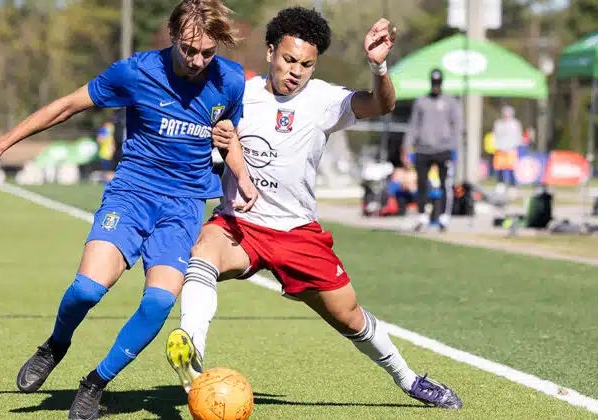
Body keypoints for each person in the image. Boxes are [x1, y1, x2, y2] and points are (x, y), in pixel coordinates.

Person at [0, 1, 256, 418]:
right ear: (172, 37)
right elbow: (66, 106)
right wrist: (0, 145)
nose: (197, 61)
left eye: (207, 52)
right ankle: (55, 345)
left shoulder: (229, 80)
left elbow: (230, 135)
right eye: (189, 49)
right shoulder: (135, 72)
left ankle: (95, 383)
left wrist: (241, 176)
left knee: (157, 303)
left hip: (185, 206)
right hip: (132, 195)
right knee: (86, 290)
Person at [164, 7, 462, 410]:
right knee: (204, 250)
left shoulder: (324, 99)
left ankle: (410, 381)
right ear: (270, 52)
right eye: (289, 60)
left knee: (350, 316)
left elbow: (382, 105)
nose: (296, 71)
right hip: (242, 223)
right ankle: (192, 350)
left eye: (306, 64)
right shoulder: (240, 92)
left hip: (297, 233)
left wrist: (379, 67)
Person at [402, 68, 462, 232]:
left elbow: (456, 126)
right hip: (423, 149)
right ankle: (422, 216)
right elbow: (413, 126)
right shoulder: (421, 101)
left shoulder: (450, 102)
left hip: (444, 149)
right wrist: (407, 147)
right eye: (433, 83)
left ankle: (444, 217)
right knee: (422, 184)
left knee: (445, 184)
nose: (436, 86)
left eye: (438, 83)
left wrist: (454, 147)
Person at [492, 105, 523, 188]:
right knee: (499, 168)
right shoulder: (498, 123)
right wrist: (497, 146)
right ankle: (500, 184)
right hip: (500, 149)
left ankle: (513, 185)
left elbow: (518, 137)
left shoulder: (515, 124)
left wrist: (513, 147)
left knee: (511, 169)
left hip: (511, 150)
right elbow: (495, 136)